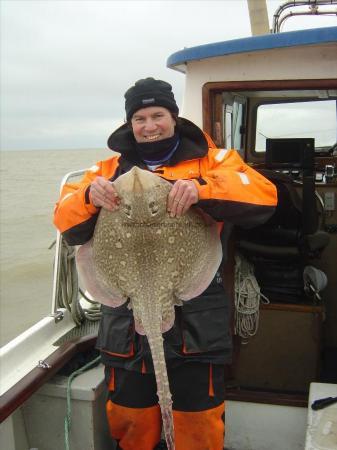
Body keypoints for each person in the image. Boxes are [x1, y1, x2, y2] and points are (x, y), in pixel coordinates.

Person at [53, 77, 277, 450]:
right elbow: (63, 218)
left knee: (197, 423)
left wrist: (203, 188)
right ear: (129, 125)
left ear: (174, 117)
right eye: (139, 118)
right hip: (127, 315)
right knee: (131, 417)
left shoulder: (214, 161)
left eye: (158, 115)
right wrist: (90, 197)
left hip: (196, 312)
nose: (149, 125)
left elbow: (263, 195)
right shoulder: (106, 170)